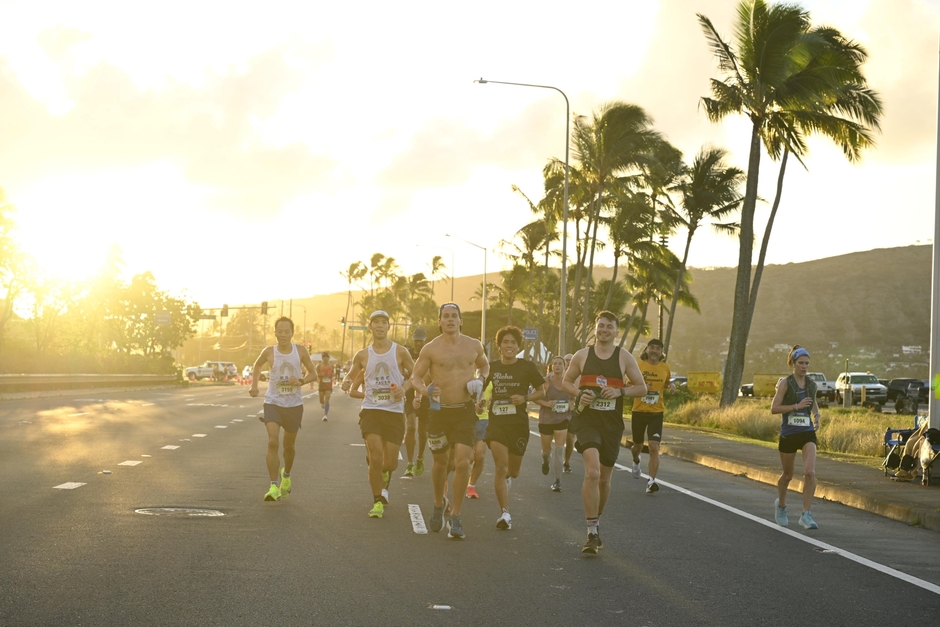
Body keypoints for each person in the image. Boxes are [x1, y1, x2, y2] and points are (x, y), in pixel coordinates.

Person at [563, 311, 647, 555]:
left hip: (612, 424)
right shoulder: (582, 355)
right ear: (595, 329)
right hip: (587, 420)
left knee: (604, 480)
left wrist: (620, 392)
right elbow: (566, 382)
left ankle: (595, 522)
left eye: (609, 327)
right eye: (600, 326)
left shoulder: (624, 357)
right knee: (592, 471)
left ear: (616, 332)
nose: (604, 330)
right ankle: (591, 532)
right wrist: (579, 394)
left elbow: (641, 387)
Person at [411, 303, 489, 540]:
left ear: (461, 320)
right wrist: (425, 392)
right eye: (446, 316)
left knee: (464, 461)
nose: (450, 320)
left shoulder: (473, 345)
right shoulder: (431, 349)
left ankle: (455, 515)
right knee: (441, 463)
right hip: (439, 411)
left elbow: (484, 365)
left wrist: (481, 381)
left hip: (465, 411)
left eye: (454, 316)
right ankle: (438, 503)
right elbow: (414, 376)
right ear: (439, 321)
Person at [341, 310, 414, 519]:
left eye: (384, 322)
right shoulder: (363, 355)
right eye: (376, 322)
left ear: (388, 327)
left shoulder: (400, 352)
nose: (380, 326)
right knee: (375, 456)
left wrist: (404, 388)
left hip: (393, 412)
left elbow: (417, 375)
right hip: (371, 410)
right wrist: (346, 381)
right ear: (370, 327)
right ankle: (377, 501)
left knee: (389, 463)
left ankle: (382, 473)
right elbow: (351, 374)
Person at [249, 316, 320, 502]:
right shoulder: (269, 351)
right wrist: (254, 385)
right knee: (273, 442)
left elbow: (313, 373)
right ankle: (273, 485)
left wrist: (301, 381)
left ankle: (286, 475)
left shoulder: (300, 351)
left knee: (289, 446)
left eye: (286, 332)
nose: (283, 335)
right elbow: (257, 365)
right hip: (273, 402)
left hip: (293, 405)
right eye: (279, 331)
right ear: (275, 333)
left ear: (292, 333)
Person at [481, 326, 545, 529]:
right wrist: (480, 402)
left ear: (518, 346)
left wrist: (524, 397)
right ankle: (505, 514)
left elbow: (542, 391)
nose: (509, 346)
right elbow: (480, 390)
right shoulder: (491, 368)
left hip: (518, 424)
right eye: (505, 342)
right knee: (500, 466)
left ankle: (508, 479)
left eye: (513, 343)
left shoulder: (526, 366)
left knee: (513, 471)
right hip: (497, 424)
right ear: (499, 346)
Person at [770, 345, 822, 530]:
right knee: (788, 475)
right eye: (801, 363)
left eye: (807, 363)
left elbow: (812, 401)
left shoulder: (811, 384)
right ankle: (781, 506)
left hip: (807, 432)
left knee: (810, 473)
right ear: (792, 363)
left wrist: (816, 415)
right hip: (789, 433)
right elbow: (774, 408)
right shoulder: (785, 383)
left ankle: (806, 514)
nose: (804, 366)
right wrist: (796, 406)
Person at [630, 339, 676, 494]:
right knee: (637, 446)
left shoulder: (665, 367)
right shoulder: (638, 366)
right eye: (652, 348)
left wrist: (671, 385)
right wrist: (642, 387)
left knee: (654, 447)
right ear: (647, 350)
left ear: (662, 352)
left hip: (657, 412)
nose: (654, 351)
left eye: (658, 348)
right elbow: (628, 385)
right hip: (639, 411)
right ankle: (636, 460)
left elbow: (666, 382)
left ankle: (651, 481)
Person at [535, 356, 573, 492]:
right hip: (546, 419)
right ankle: (545, 460)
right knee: (547, 451)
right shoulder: (546, 382)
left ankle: (557, 480)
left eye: (560, 364)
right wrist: (546, 403)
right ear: (551, 367)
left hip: (562, 419)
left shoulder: (569, 382)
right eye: (555, 364)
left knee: (559, 449)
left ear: (565, 366)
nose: (557, 366)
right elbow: (535, 396)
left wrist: (571, 405)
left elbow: (574, 398)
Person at [403, 327, 430, 477]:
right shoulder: (408, 354)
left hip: (424, 393)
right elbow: (401, 369)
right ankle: (410, 462)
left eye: (421, 340)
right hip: (409, 393)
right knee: (411, 427)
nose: (418, 343)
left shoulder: (428, 354)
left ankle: (420, 457)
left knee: (423, 431)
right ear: (413, 340)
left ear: (425, 340)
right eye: (416, 340)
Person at [466, 379, 492, 499]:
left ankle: (471, 486)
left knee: (480, 456)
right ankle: (463, 479)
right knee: (469, 458)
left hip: (484, 421)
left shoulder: (491, 383)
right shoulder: (469, 380)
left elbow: (492, 399)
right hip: (468, 421)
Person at [562, 353, 576, 474]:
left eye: (571, 361)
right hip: (556, 412)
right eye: (566, 360)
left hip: (572, 411)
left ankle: (566, 462)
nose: (568, 363)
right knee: (558, 438)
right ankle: (550, 455)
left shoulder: (578, 377)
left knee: (570, 438)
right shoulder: (555, 375)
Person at [316, 352, 334, 421]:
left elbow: (333, 373)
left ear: (329, 358)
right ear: (322, 358)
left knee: (327, 398)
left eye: (327, 357)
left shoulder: (331, 366)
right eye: (324, 357)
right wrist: (321, 375)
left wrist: (331, 375)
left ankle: (325, 415)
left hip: (329, 385)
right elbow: (316, 374)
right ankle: (322, 403)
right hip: (321, 385)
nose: (325, 358)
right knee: (321, 400)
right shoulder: (319, 366)